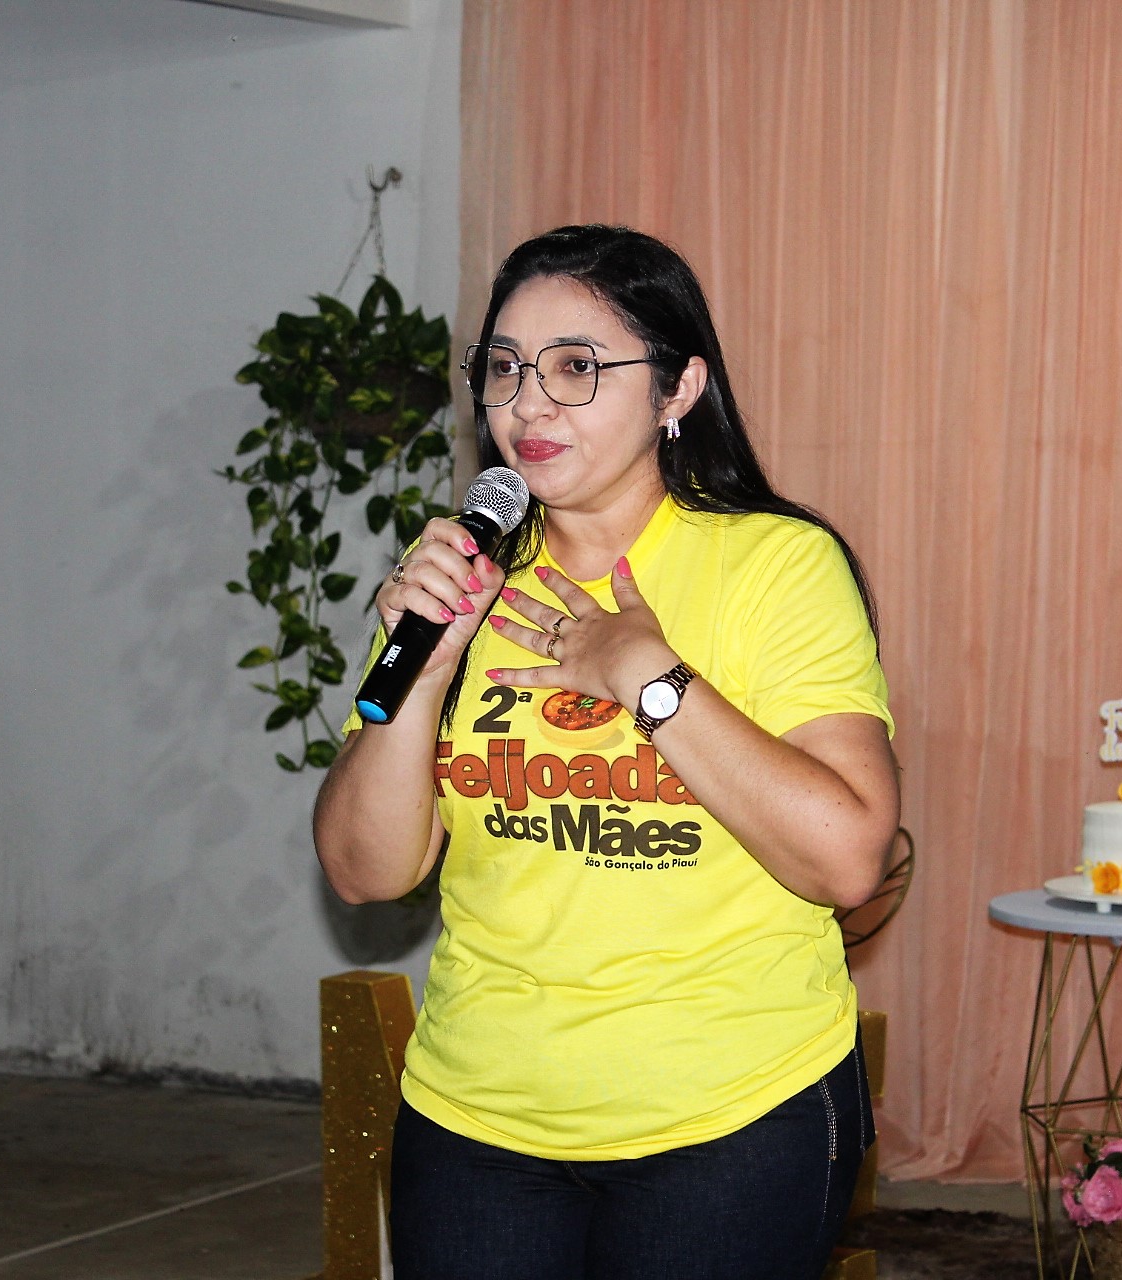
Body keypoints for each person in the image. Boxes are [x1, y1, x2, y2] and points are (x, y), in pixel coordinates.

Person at [313, 224, 900, 1280]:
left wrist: (651, 676)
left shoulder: (777, 564)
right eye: (504, 368)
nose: (528, 402)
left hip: (731, 1115)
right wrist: (428, 668)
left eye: (577, 367)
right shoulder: (452, 575)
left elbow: (848, 856)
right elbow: (365, 869)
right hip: (477, 1116)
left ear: (678, 389)